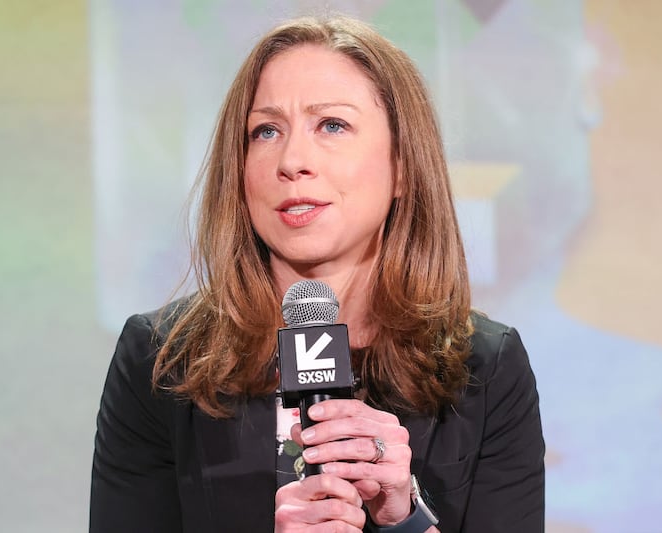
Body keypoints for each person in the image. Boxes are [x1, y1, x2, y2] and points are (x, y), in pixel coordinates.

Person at [90, 14, 544, 533]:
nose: (293, 159)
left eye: (332, 125)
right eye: (266, 130)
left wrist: (403, 520)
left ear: (402, 166)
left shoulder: (485, 368)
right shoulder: (159, 359)